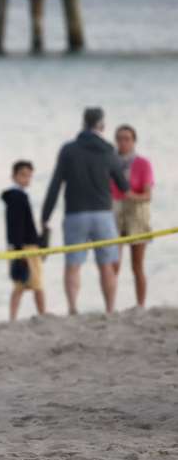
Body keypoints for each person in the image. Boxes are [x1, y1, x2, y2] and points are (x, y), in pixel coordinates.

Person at [40, 108, 130, 315]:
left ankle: (72, 307)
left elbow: (55, 185)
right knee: (107, 265)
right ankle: (110, 309)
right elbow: (123, 186)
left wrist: (45, 216)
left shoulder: (69, 150)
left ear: (83, 123)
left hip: (75, 214)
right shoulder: (109, 150)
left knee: (73, 264)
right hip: (103, 215)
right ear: (102, 126)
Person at [110, 125, 154, 309]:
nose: (123, 142)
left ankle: (140, 304)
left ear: (133, 141)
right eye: (119, 138)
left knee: (137, 265)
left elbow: (148, 194)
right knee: (113, 264)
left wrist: (131, 196)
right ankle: (110, 305)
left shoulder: (143, 163)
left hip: (136, 213)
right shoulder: (110, 162)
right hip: (115, 211)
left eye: (127, 138)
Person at [1, 161, 47, 321]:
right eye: (23, 175)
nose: (26, 178)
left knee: (20, 285)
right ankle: (43, 315)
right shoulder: (17, 197)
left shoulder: (16, 196)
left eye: (29, 175)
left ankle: (13, 318)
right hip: (25, 247)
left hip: (19, 246)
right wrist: (20, 249)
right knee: (37, 285)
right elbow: (17, 225)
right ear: (14, 176)